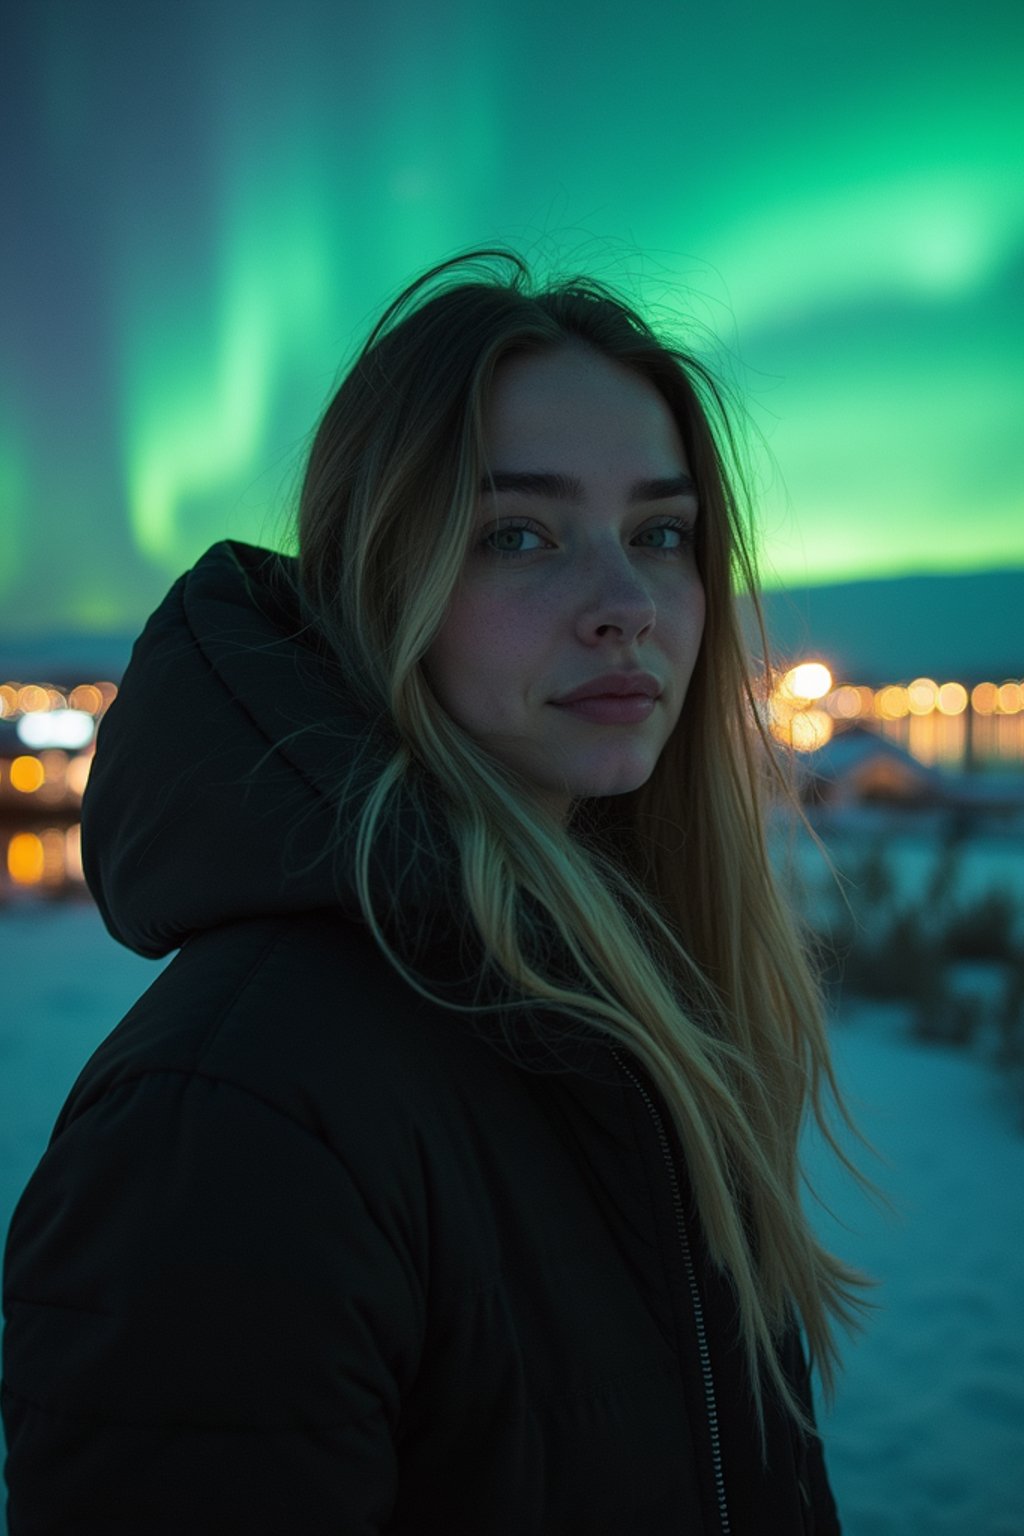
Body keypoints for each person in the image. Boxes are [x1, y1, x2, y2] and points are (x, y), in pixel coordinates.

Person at [2, 248, 867, 1533]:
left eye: (661, 534)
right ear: (375, 577)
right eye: (518, 534)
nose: (626, 605)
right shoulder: (238, 1111)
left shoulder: (630, 1011)